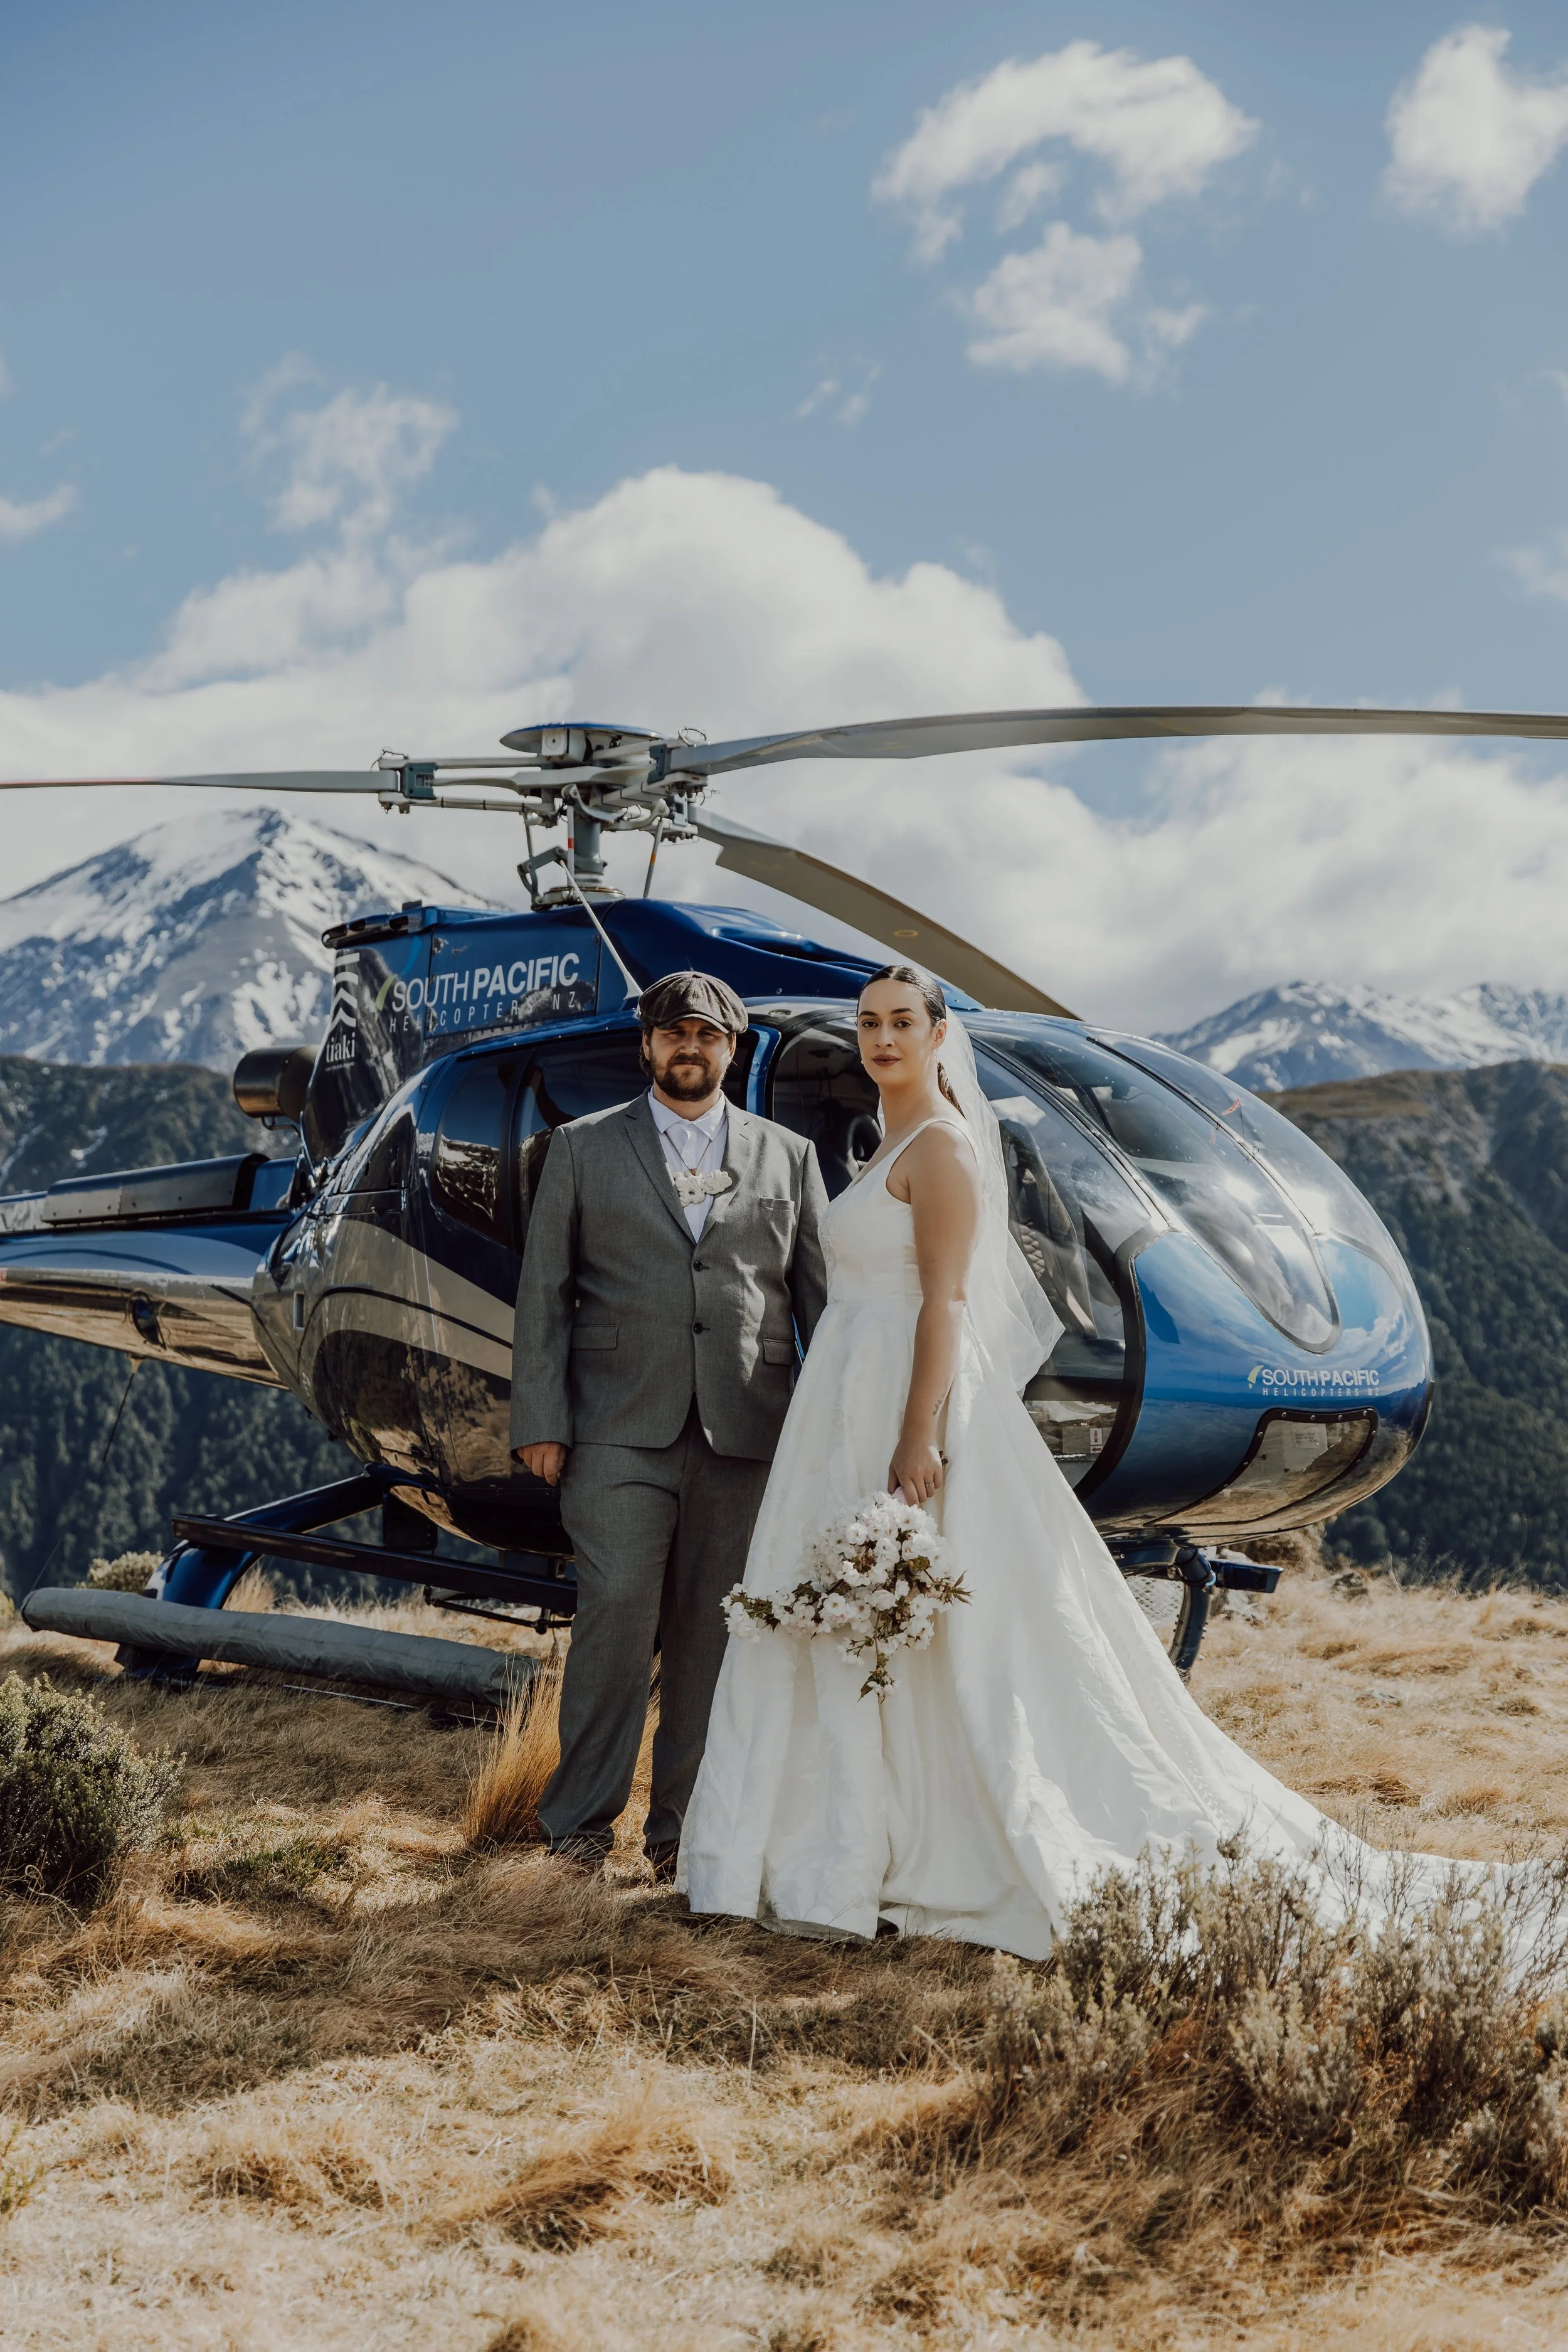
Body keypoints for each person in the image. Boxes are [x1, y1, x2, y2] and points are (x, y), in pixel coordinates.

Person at [681, 965, 1543, 1955]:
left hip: (897, 1397)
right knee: (845, 1609)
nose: (880, 1037)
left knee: (939, 1628)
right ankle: (829, 1843)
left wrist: (919, 1431)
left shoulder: (947, 1147)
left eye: (900, 1022)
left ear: (936, 1032)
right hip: (843, 1394)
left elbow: (948, 1306)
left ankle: (891, 1838)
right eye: (869, 1023)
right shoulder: (888, 1145)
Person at [511, 969, 828, 1878]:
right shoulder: (580, 1148)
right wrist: (541, 1417)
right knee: (614, 1614)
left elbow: (823, 1306)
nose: (690, 1047)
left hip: (747, 1431)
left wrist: (829, 1431)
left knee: (714, 1634)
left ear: (735, 1049)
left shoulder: (789, 1157)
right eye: (673, 1033)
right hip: (614, 1427)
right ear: (646, 1046)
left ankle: (685, 1838)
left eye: (708, 1035)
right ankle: (576, 1831)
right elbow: (545, 1296)